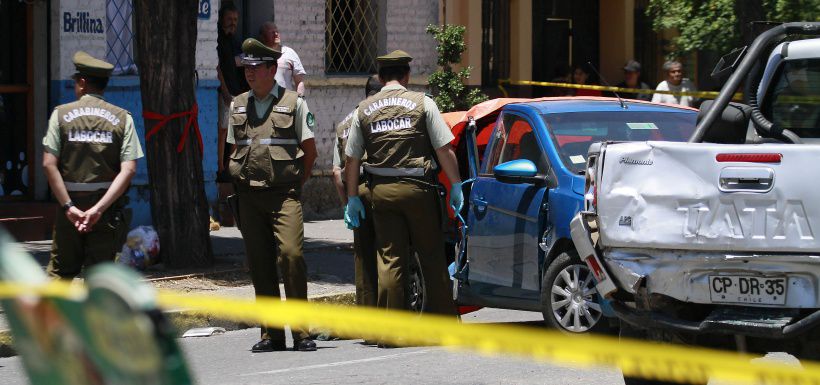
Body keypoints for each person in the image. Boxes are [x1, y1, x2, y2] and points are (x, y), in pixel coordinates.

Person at [344, 50, 462, 338]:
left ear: (381, 77)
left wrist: (352, 198)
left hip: (381, 192)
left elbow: (351, 160)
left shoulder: (364, 109)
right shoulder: (423, 104)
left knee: (390, 259)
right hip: (419, 190)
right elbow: (443, 149)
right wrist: (456, 184)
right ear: (406, 76)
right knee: (431, 254)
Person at [227, 38, 318, 352]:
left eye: (255, 68)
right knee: (260, 263)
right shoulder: (237, 104)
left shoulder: (294, 103)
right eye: (246, 68)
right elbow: (234, 149)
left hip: (284, 196)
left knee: (291, 257)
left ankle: (302, 332)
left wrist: (295, 183)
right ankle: (271, 334)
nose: (249, 74)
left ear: (271, 69)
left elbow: (310, 152)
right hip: (248, 197)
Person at [41, 51, 143, 279]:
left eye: (76, 82)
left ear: (83, 83)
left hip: (70, 210)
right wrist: (98, 209)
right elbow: (129, 169)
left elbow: (49, 164)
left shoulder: (60, 115)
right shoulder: (123, 118)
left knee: (60, 276)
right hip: (106, 212)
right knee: (99, 279)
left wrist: (69, 207)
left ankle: (59, 317)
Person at [332, 75, 381, 317]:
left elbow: (336, 172)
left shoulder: (343, 124)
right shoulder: (380, 115)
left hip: (356, 194)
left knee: (363, 258)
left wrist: (347, 205)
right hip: (381, 189)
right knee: (390, 252)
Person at [216, 1, 249, 180]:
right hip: (225, 92)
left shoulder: (235, 41)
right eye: (229, 19)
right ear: (221, 19)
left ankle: (231, 168)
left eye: (235, 19)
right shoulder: (218, 39)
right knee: (222, 131)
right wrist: (225, 91)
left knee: (235, 132)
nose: (233, 22)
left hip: (237, 92)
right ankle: (221, 169)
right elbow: (218, 68)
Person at [259, 22, 306, 97]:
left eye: (277, 31)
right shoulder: (258, 54)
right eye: (272, 32)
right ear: (263, 36)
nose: (276, 34)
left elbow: (299, 81)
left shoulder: (289, 53)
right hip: (263, 102)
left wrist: (300, 100)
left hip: (285, 103)